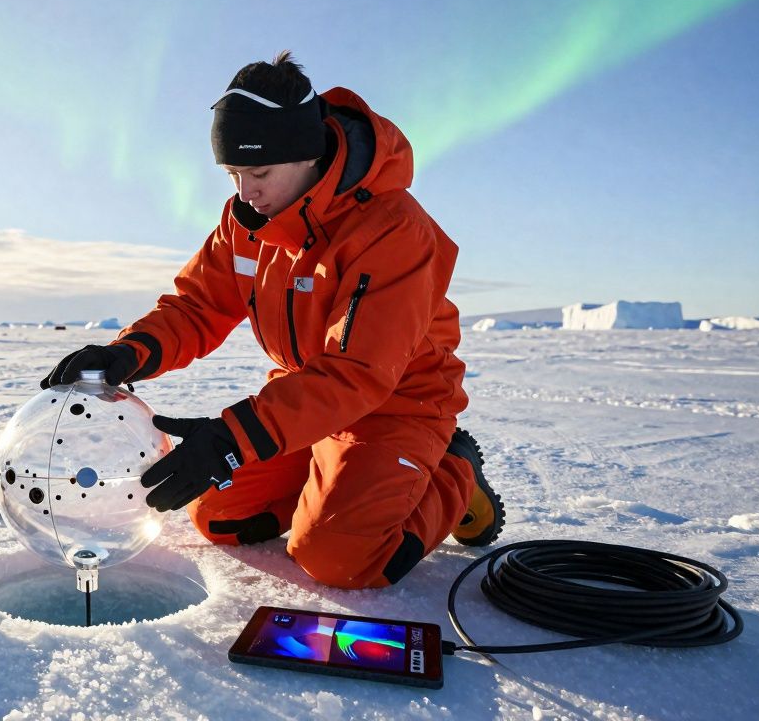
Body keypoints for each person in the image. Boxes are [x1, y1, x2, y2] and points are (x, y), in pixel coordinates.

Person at [40, 51, 504, 590]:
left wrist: (233, 439)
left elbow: (358, 371)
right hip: (305, 395)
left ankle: (452, 470)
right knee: (218, 515)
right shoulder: (248, 223)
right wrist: (130, 352)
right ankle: (335, 480)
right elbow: (198, 306)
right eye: (233, 173)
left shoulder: (393, 230)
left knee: (340, 559)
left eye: (257, 172)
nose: (244, 192)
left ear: (307, 156)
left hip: (397, 403)